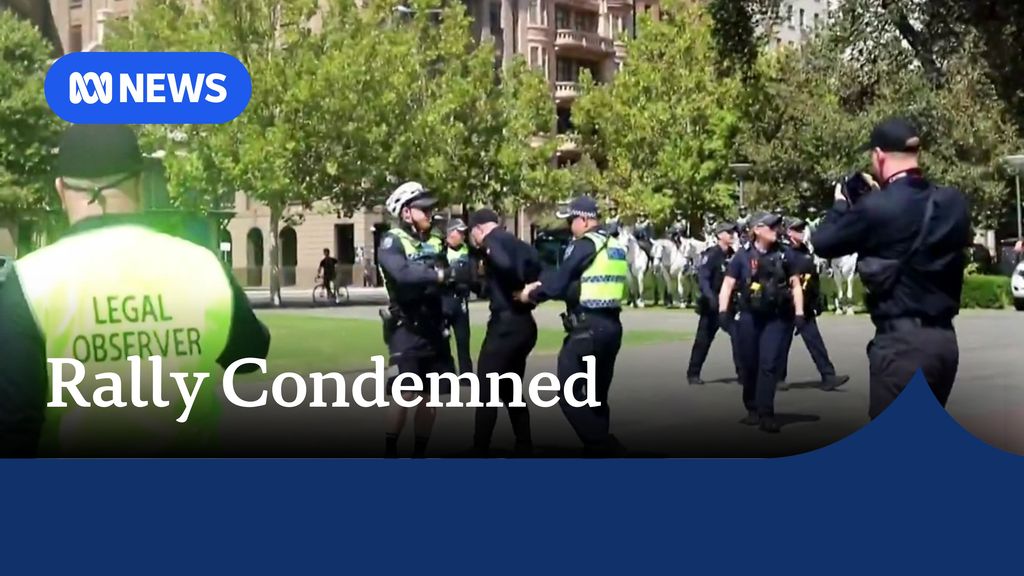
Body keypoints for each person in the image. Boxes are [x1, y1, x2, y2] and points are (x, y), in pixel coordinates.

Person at [0, 124, 270, 457]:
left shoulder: (27, 282)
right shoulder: (203, 265)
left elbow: (15, 427)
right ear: (140, 184)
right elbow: (249, 358)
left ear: (60, 189)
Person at [812, 117, 971, 418]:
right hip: (944, 344)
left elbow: (823, 243)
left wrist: (841, 205)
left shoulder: (876, 208)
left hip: (902, 347)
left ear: (879, 155)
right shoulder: (953, 202)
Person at [521, 196, 627, 455]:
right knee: (596, 397)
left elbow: (559, 283)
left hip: (587, 328)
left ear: (585, 220)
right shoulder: (615, 245)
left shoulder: (585, 244)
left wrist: (530, 294)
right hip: (611, 326)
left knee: (568, 392)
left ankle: (603, 445)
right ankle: (600, 449)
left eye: (571, 221)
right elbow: (584, 284)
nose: (570, 226)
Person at [378, 181, 471, 457]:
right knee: (405, 394)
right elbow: (403, 275)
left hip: (434, 327)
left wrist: (455, 279)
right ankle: (390, 451)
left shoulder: (436, 240)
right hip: (406, 328)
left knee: (431, 396)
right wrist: (439, 276)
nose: (430, 213)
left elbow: (442, 274)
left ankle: (420, 453)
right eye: (424, 209)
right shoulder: (392, 240)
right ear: (406, 213)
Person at [718, 212, 806, 434]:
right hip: (749, 316)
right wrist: (722, 312)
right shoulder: (742, 256)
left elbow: (796, 285)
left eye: (777, 226)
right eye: (771, 226)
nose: (776, 230)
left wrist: (800, 313)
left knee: (769, 364)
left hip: (777, 317)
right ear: (757, 229)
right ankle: (752, 407)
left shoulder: (786, 255)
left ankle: (766, 413)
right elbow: (728, 285)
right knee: (749, 365)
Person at [467, 208, 542, 456]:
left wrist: (514, 279)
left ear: (478, 229)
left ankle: (480, 447)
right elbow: (538, 267)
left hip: (505, 326)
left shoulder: (491, 242)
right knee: (509, 387)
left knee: (486, 388)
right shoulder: (519, 243)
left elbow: (505, 264)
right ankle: (524, 443)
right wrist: (528, 289)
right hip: (525, 324)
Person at [776, 218, 850, 392]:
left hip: (806, 304)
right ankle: (777, 378)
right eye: (797, 229)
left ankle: (828, 376)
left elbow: (812, 278)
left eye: (802, 228)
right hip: (786, 304)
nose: (802, 231)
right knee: (781, 343)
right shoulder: (783, 252)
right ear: (789, 232)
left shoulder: (805, 251)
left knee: (815, 341)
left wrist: (817, 301)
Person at [686, 221, 743, 386]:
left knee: (738, 338)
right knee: (703, 340)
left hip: (729, 304)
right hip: (711, 305)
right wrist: (711, 297)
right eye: (729, 232)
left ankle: (742, 374)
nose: (733, 235)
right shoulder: (712, 254)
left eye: (733, 232)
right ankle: (693, 373)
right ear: (719, 235)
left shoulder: (734, 255)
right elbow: (703, 277)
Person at [443, 218, 474, 375]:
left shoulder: (468, 250)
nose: (462, 235)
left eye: (463, 233)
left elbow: (472, 275)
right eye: (459, 232)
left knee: (463, 339)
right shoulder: (440, 250)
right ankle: (446, 375)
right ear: (450, 233)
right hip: (443, 300)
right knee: (442, 340)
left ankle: (466, 374)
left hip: (460, 299)